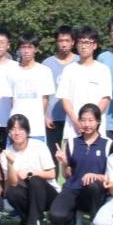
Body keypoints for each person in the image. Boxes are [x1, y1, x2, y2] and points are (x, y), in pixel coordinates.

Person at [49, 104, 111, 225]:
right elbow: (67, 175)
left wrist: (96, 176)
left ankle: (94, 223)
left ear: (98, 121)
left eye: (91, 120)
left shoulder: (108, 144)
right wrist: (64, 163)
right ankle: (75, 213)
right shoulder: (72, 142)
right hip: (73, 188)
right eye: (83, 120)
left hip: (95, 191)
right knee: (56, 217)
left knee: (93, 186)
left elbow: (111, 176)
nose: (87, 124)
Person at [1, 114, 59, 225]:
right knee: (12, 192)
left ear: (27, 131)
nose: (17, 133)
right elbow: (12, 184)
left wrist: (30, 172)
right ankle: (31, 220)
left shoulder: (39, 146)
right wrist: (10, 163)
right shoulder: (6, 153)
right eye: (13, 129)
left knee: (34, 180)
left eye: (20, 129)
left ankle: (35, 224)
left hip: (48, 194)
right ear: (9, 133)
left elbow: (52, 174)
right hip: (27, 194)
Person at [54, 26, 112, 142]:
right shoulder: (69, 69)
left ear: (94, 45)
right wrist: (77, 122)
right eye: (80, 42)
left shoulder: (103, 69)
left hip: (97, 131)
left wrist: (90, 122)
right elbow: (64, 99)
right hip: (73, 129)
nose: (83, 46)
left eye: (87, 42)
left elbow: (105, 98)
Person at [10, 34, 55, 144]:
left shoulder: (44, 71)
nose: (26, 51)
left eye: (30, 47)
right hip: (16, 126)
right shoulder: (11, 71)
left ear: (36, 49)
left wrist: (39, 117)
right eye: (23, 47)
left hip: (36, 126)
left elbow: (45, 99)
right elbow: (11, 99)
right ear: (19, 49)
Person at [41, 25, 78, 156]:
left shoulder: (79, 61)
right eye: (61, 41)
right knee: (52, 155)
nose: (64, 44)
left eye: (67, 40)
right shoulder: (47, 64)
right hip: (52, 118)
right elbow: (43, 94)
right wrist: (44, 116)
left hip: (74, 118)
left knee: (73, 155)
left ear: (73, 42)